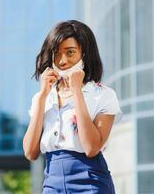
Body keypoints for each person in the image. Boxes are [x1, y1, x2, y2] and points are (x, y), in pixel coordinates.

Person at [23, 20, 123, 193]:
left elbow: (92, 148)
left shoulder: (103, 95)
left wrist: (77, 91)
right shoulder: (42, 98)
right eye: (57, 53)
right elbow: (30, 152)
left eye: (70, 52)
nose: (63, 61)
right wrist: (42, 98)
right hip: (52, 184)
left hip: (91, 182)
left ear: (84, 54)